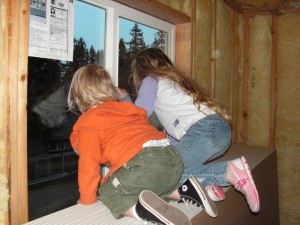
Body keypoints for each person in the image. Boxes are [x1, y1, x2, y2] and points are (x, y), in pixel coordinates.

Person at [67, 64, 218, 225]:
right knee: (153, 183)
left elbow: (88, 168)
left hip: (145, 161)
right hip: (171, 156)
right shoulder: (126, 109)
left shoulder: (89, 123)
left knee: (108, 190)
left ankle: (142, 211)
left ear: (78, 98)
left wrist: (87, 199)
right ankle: (186, 190)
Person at [119, 48, 260, 213]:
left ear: (140, 70)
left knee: (169, 174)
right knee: (171, 169)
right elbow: (181, 140)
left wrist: (124, 99)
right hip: (218, 132)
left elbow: (139, 115)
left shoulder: (151, 79)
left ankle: (229, 171)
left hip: (204, 131)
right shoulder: (174, 82)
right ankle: (208, 183)